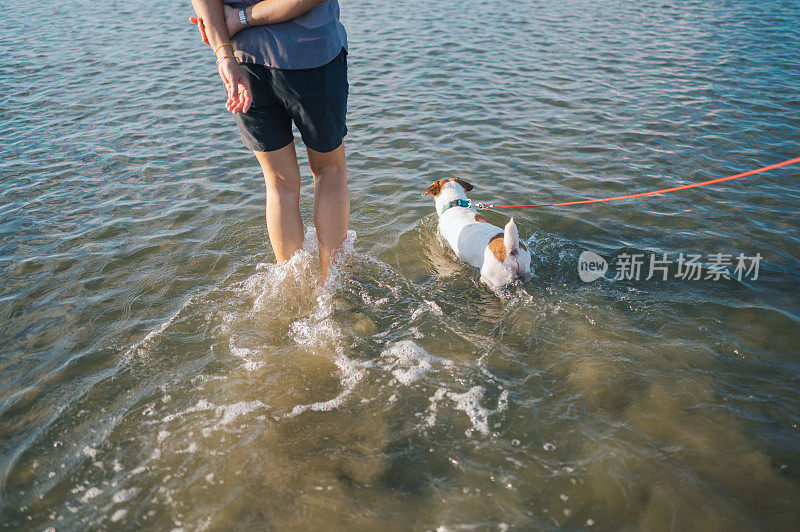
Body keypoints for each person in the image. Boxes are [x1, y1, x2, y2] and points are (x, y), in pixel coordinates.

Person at [189, 0, 349, 286]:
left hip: (243, 61)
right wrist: (240, 19)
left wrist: (222, 53)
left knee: (279, 183)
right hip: (309, 53)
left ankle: (293, 286)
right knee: (329, 171)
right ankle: (333, 285)